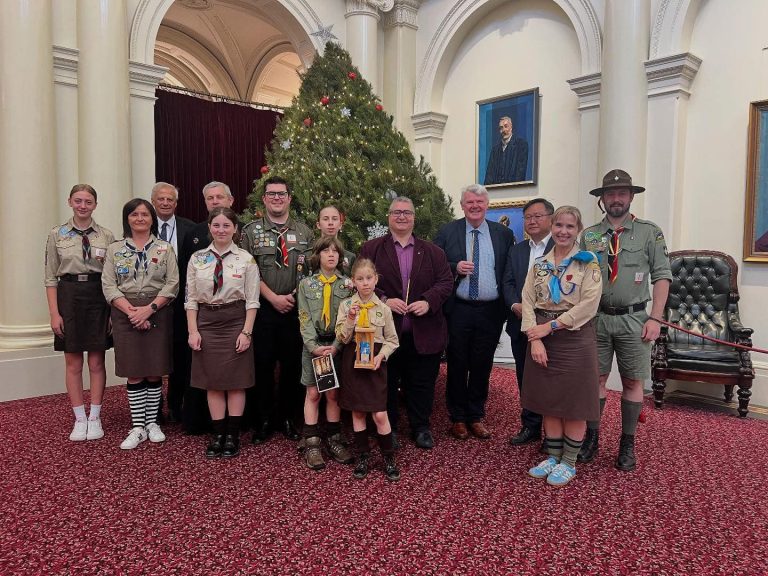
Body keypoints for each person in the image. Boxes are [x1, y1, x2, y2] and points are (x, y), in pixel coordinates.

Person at [579, 169, 672, 471]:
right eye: (610, 194)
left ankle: (627, 443)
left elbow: (662, 276)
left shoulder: (649, 232)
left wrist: (656, 318)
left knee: (633, 381)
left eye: (622, 193)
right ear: (602, 199)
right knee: (596, 380)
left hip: (635, 320)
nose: (616, 199)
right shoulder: (590, 235)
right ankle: (591, 438)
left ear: (631, 196)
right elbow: (577, 277)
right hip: (597, 319)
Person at [359, 196, 453, 449]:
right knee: (386, 383)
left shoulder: (433, 252)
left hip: (424, 332)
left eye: (407, 212)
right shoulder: (371, 249)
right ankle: (387, 427)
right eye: (396, 212)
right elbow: (359, 281)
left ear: (414, 217)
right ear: (388, 217)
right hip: (385, 334)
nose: (402, 216)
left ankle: (420, 427)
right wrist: (384, 300)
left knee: (422, 382)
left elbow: (445, 282)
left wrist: (428, 301)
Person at [521, 206, 602, 487]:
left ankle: (569, 461)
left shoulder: (587, 263)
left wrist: (551, 327)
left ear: (578, 230)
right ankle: (553, 456)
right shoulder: (540, 264)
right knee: (549, 401)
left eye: (570, 226)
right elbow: (528, 301)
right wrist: (536, 339)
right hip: (542, 336)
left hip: (575, 338)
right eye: (559, 225)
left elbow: (589, 305)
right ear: (551, 227)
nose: (563, 231)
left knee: (574, 403)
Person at [434, 184, 515, 440]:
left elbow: (508, 271)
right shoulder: (448, 231)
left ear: (487, 204)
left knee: (482, 365)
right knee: (457, 364)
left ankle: (476, 415)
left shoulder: (502, 233)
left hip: (491, 310)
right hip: (459, 310)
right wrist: (454, 266)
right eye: (470, 202)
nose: (475, 206)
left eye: (479, 202)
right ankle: (457, 418)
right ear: (462, 205)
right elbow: (434, 267)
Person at [240, 175, 314, 444]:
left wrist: (292, 296)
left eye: (281, 194)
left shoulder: (305, 232)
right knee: (263, 367)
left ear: (289, 198)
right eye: (271, 194)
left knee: (293, 367)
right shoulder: (250, 232)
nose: (277, 198)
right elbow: (247, 272)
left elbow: (311, 270)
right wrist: (273, 298)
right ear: (265, 198)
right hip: (263, 310)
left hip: (295, 309)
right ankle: (264, 420)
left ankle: (287, 418)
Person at [102, 199, 179, 449]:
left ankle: (152, 423)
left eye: (145, 214)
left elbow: (172, 283)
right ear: (127, 219)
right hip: (125, 311)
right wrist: (132, 312)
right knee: (135, 371)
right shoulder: (115, 250)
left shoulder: (164, 248)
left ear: (152, 219)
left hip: (157, 310)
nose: (140, 218)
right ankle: (137, 426)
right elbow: (109, 285)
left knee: (155, 369)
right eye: (134, 214)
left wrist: (149, 310)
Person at [185, 207, 259, 459]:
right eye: (216, 225)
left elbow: (252, 300)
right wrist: (193, 331)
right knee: (212, 381)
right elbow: (191, 299)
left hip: (235, 321)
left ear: (235, 229)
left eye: (227, 225)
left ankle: (233, 435)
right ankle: (218, 434)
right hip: (206, 322)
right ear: (209, 228)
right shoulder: (197, 259)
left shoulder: (246, 259)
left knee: (236, 381)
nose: (221, 230)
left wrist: (246, 333)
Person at [45, 184, 115, 441]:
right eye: (78, 201)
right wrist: (55, 313)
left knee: (97, 361)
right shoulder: (57, 235)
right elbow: (50, 277)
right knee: (73, 361)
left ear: (95, 204)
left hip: (98, 295)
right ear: (70, 202)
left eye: (88, 201)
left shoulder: (106, 236)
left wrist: (111, 314)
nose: (83, 205)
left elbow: (112, 278)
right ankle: (79, 418)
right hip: (69, 295)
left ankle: (95, 417)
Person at [178, 181, 235, 435]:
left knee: (234, 373)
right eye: (210, 198)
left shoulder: (240, 233)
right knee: (202, 371)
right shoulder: (194, 233)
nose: (215, 201)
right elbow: (186, 282)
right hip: (202, 316)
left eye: (219, 197)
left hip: (234, 316)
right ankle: (201, 421)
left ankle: (234, 424)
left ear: (230, 201)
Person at [335, 258, 400, 481]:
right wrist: (351, 319)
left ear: (376, 279)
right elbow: (342, 337)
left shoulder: (383, 309)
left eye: (369, 278)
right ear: (353, 281)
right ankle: (363, 456)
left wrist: (381, 356)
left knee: (380, 414)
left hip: (375, 363)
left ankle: (389, 457)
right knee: (358, 412)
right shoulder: (345, 306)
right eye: (360, 279)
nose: (365, 283)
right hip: (353, 361)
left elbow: (393, 340)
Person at [297, 236, 355, 470]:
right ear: (317, 255)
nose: (331, 254)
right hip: (314, 346)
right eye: (325, 251)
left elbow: (349, 319)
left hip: (336, 345)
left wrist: (337, 346)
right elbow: (304, 317)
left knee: (333, 395)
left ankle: (334, 439)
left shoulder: (347, 286)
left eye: (335, 251)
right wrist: (313, 347)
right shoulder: (306, 285)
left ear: (341, 257)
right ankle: (312, 443)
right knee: (313, 394)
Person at [502, 198, 554, 446]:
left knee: (552, 378)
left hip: (552, 326)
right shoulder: (518, 249)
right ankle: (530, 425)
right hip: (520, 323)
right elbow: (508, 282)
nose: (532, 221)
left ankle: (554, 431)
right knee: (525, 377)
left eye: (538, 216)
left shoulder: (562, 246)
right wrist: (514, 305)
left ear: (551, 219)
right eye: (528, 217)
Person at [151, 181, 195, 423]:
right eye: (161, 199)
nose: (166, 203)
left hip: (181, 305)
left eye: (170, 199)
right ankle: (153, 410)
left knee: (180, 356)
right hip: (151, 304)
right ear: (153, 202)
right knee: (155, 356)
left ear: (176, 203)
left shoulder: (190, 229)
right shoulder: (142, 227)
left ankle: (177, 406)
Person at [484, 116, 528, 185]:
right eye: (501, 128)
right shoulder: (495, 150)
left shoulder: (521, 145)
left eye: (506, 126)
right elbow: (489, 176)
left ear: (511, 127)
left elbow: (520, 174)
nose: (503, 130)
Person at [315, 205, 355, 276]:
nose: (330, 223)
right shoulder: (309, 256)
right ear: (318, 225)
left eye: (334, 219)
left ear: (340, 225)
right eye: (326, 219)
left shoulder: (350, 257)